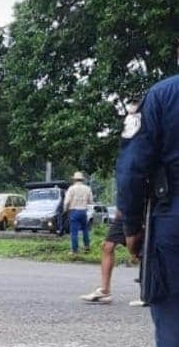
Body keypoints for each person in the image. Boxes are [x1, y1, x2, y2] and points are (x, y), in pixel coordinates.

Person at [116, 75, 179, 346]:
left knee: (172, 321)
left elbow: (131, 170)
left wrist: (131, 227)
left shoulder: (161, 95)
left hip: (173, 219)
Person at [80, 211, 145, 306]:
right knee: (107, 246)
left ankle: (147, 293)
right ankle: (104, 291)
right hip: (123, 214)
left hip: (141, 213)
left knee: (143, 249)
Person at [63, 171, 94, 255]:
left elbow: (67, 202)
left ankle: (74, 250)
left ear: (74, 180)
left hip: (74, 211)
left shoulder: (71, 188)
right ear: (82, 180)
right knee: (85, 230)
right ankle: (87, 247)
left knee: (74, 232)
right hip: (83, 211)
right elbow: (91, 201)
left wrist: (65, 210)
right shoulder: (87, 189)